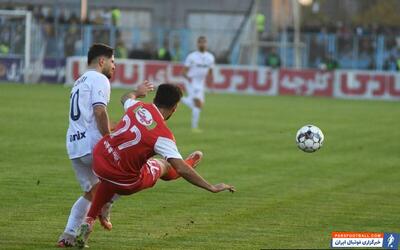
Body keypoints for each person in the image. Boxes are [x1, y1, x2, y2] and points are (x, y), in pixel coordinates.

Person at [75, 83, 235, 248]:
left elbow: (125, 98)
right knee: (164, 165)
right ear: (174, 108)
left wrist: (137, 92)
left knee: (113, 174)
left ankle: (88, 220)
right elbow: (180, 169)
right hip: (125, 181)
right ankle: (190, 161)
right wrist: (212, 187)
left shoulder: (137, 106)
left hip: (101, 159)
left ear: (155, 98)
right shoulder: (163, 136)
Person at [58, 43, 116, 247]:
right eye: (112, 61)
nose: (114, 66)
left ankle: (68, 235)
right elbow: (99, 111)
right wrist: (110, 138)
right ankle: (104, 210)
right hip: (93, 144)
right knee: (124, 178)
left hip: (74, 145)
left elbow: (89, 116)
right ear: (102, 61)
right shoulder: (100, 79)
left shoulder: (79, 81)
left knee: (91, 192)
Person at [181, 36, 215, 132]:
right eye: (200, 42)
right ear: (197, 44)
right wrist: (190, 80)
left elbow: (210, 72)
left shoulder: (210, 57)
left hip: (200, 83)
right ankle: (194, 127)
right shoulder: (192, 56)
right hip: (192, 81)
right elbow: (183, 72)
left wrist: (210, 85)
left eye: (204, 42)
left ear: (206, 44)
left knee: (199, 105)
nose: (202, 44)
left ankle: (180, 99)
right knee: (198, 104)